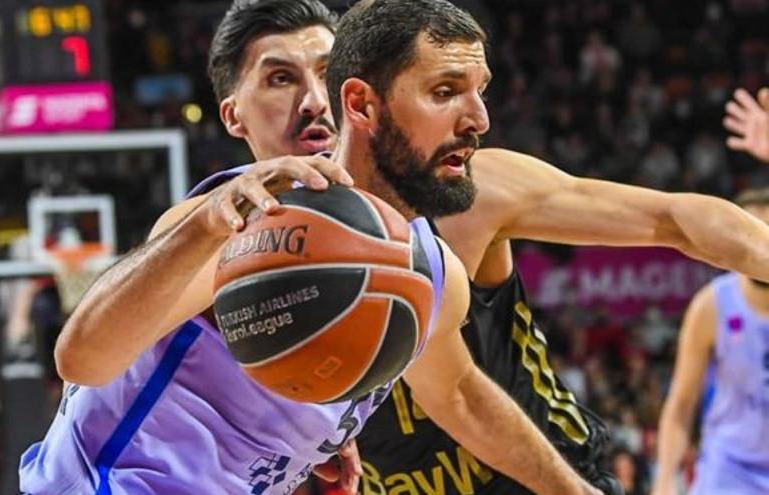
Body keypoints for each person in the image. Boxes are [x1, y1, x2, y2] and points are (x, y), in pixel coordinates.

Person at [18, 0, 602, 494]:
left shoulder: (432, 270)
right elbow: (82, 360)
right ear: (234, 116)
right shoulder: (241, 225)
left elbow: (459, 394)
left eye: (323, 73)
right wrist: (205, 230)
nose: (312, 101)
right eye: (279, 78)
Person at [205, 1, 769, 493]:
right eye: (446, 92)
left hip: (551, 478)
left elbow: (677, 219)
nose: (311, 100)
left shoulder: (472, 192)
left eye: (324, 74)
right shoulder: (247, 252)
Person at [650, 88, 769, 495]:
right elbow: (681, 406)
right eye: (748, 237)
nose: (757, 247)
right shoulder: (713, 304)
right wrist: (665, 479)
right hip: (730, 471)